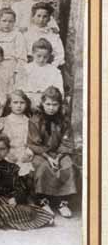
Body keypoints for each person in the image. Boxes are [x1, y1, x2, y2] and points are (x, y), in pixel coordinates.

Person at [0, 133, 55, 230]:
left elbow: (18, 187)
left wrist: (15, 198)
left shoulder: (11, 168)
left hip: (1, 198)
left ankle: (42, 217)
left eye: (2, 149)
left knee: (13, 211)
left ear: (8, 150)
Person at [27, 86, 78, 218]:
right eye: (48, 104)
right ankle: (43, 200)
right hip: (41, 154)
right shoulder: (35, 120)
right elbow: (34, 143)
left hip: (59, 153)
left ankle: (62, 202)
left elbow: (67, 141)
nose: (51, 108)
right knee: (43, 167)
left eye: (55, 104)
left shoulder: (64, 121)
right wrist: (49, 157)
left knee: (67, 166)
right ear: (42, 103)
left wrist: (59, 157)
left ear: (60, 105)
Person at [16, 38, 64, 109]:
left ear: (49, 56)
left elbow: (59, 91)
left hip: (47, 105)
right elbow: (19, 88)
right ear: (32, 53)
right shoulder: (25, 69)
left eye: (45, 57)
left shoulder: (54, 71)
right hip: (27, 103)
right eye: (39, 56)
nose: (41, 59)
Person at [0, 90, 34, 176]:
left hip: (24, 153)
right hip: (8, 153)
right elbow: (0, 140)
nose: (19, 106)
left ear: (26, 104)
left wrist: (29, 153)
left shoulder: (29, 122)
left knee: (27, 173)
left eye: (22, 103)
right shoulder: (4, 121)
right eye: (15, 102)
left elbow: (33, 141)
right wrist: (7, 154)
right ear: (9, 104)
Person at [23, 2, 65, 67]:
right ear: (33, 17)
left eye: (45, 16)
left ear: (49, 19)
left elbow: (60, 55)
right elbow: (22, 54)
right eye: (38, 16)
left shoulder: (53, 36)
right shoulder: (26, 35)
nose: (41, 19)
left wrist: (51, 67)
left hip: (48, 66)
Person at [0, 8, 27, 82]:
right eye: (4, 21)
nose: (7, 24)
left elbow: (22, 57)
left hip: (11, 66)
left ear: (14, 22)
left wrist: (17, 71)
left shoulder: (18, 35)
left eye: (10, 21)